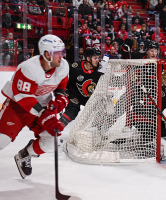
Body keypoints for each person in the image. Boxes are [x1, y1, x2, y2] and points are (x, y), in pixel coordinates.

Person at [0, 34, 68, 179]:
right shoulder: (28, 68)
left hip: (41, 107)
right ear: (46, 54)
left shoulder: (63, 66)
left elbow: (61, 85)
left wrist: (60, 98)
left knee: (52, 141)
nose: (61, 56)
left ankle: (26, 154)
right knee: (1, 140)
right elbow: (24, 98)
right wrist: (46, 116)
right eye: (58, 53)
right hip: (17, 107)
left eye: (62, 52)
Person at [59, 47, 107, 127]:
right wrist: (63, 93)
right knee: (73, 110)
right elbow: (64, 80)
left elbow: (111, 78)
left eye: (98, 58)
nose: (97, 60)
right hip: (74, 95)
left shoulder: (100, 68)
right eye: (95, 58)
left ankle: (98, 131)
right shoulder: (76, 67)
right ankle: (55, 128)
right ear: (88, 59)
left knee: (104, 109)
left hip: (89, 97)